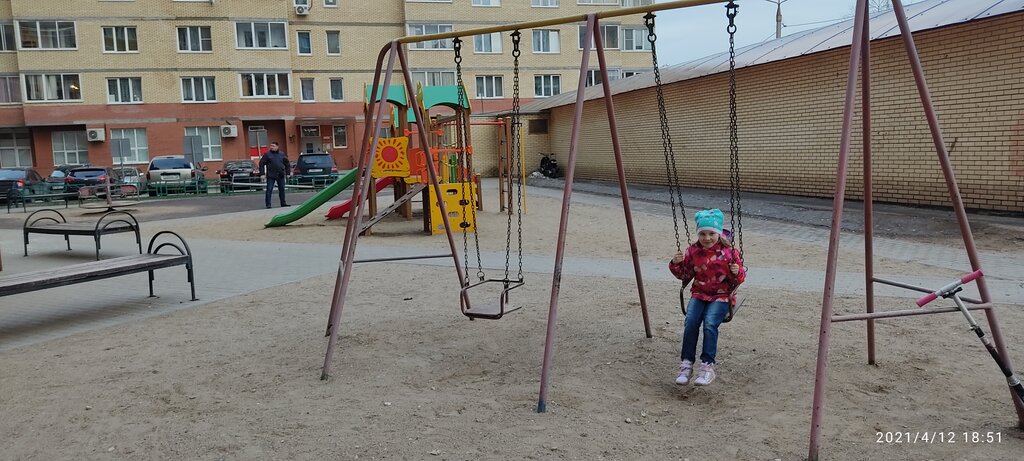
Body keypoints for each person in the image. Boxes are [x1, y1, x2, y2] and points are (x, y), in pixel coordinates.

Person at [668, 208, 746, 386]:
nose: (707, 238)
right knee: (691, 321)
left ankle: (707, 366)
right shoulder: (693, 251)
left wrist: (737, 272)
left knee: (710, 323)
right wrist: (675, 264)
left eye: (711, 233)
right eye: (702, 234)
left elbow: (739, 279)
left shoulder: (730, 253)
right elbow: (685, 275)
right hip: (700, 293)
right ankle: (686, 364)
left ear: (719, 233)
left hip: (721, 296)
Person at [259, 142, 290, 208]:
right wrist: (262, 174)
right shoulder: (267, 154)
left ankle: (283, 203)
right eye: (271, 146)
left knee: (282, 189)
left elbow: (287, 164)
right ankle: (268, 204)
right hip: (271, 175)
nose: (271, 147)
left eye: (273, 146)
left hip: (280, 174)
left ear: (277, 147)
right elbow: (261, 163)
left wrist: (288, 173)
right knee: (269, 189)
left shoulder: (282, 154)